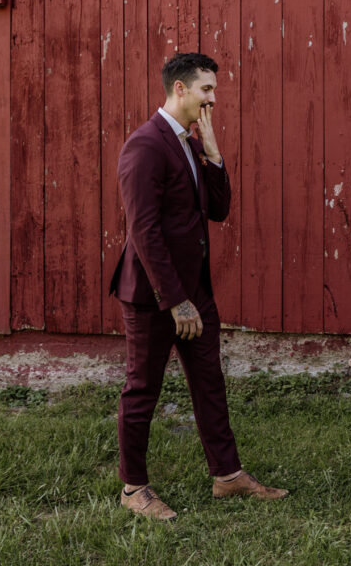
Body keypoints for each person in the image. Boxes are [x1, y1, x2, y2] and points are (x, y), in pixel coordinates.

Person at [109, 52, 288, 520]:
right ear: (180, 89)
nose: (213, 98)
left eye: (214, 89)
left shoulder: (188, 143)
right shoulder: (145, 145)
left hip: (195, 293)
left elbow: (218, 209)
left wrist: (212, 152)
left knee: (210, 383)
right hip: (155, 296)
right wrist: (176, 301)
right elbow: (144, 231)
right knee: (142, 389)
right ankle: (133, 489)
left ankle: (227, 476)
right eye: (206, 89)